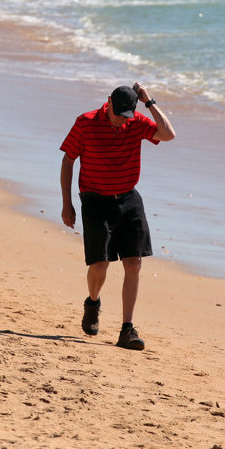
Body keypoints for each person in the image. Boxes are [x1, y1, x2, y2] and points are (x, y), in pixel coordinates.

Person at [59, 84, 175, 351]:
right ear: (108, 102)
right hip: (95, 200)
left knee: (133, 263)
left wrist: (149, 102)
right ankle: (93, 302)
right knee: (100, 265)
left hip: (128, 198)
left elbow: (169, 135)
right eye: (119, 113)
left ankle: (127, 330)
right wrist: (68, 205)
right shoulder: (86, 122)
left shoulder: (136, 122)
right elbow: (68, 161)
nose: (122, 119)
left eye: (127, 114)